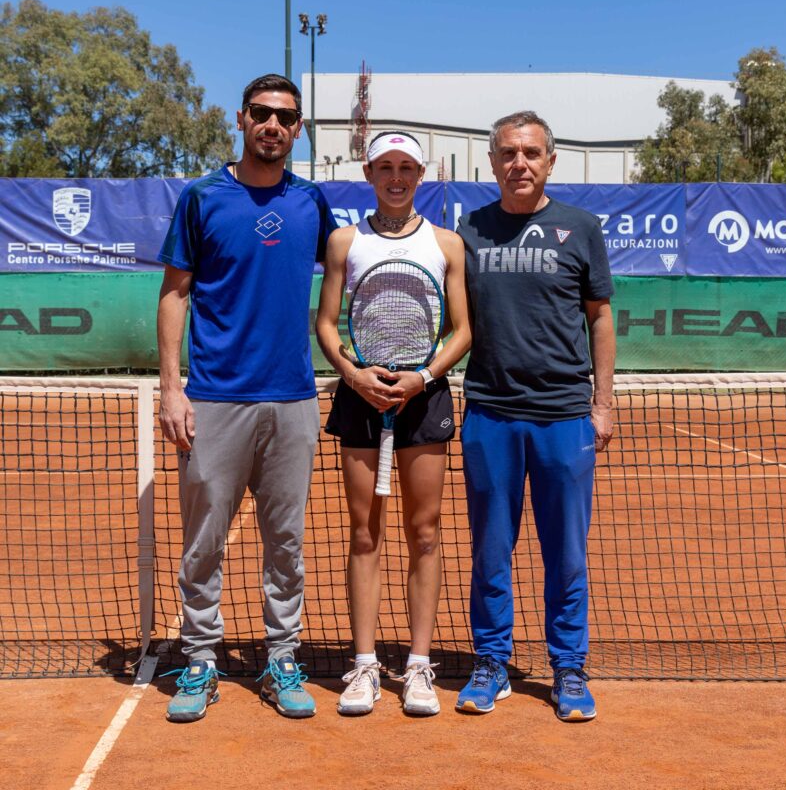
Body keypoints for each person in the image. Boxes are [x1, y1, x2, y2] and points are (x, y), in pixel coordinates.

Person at [157, 73, 336, 722]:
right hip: (213, 399)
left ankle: (282, 657)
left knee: (285, 541)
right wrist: (171, 387)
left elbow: (346, 273)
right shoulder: (202, 197)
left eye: (285, 117)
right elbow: (175, 292)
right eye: (262, 113)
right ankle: (200, 658)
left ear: (298, 129)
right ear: (241, 119)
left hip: (292, 400)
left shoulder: (312, 202)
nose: (272, 125)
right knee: (204, 541)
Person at [454, 111, 616, 721]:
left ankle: (568, 668)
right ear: (492, 162)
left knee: (566, 555)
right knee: (490, 552)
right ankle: (491, 661)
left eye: (530, 153)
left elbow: (600, 319)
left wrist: (603, 403)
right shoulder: (468, 231)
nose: (518, 163)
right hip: (490, 415)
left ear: (550, 161)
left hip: (564, 418)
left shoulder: (582, 228)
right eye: (507, 153)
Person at [316, 131, 471, 716]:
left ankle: (418, 665)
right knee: (364, 533)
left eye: (407, 167)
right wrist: (354, 375)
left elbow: (463, 329)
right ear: (369, 173)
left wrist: (422, 377)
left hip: (423, 398)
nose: (397, 177)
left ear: (421, 175)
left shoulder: (447, 244)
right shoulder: (344, 241)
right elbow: (326, 323)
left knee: (424, 533)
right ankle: (363, 665)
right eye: (386, 167)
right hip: (360, 396)